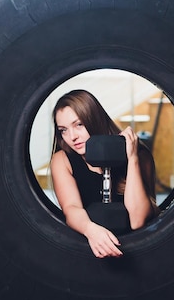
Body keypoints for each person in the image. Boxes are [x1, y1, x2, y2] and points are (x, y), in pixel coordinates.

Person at [50, 89, 160, 258]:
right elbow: (71, 207)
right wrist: (91, 230)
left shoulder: (139, 155)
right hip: (89, 249)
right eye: (63, 130)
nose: (72, 137)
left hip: (138, 251)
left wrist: (132, 159)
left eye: (79, 125)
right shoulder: (62, 159)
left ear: (94, 120)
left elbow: (138, 221)